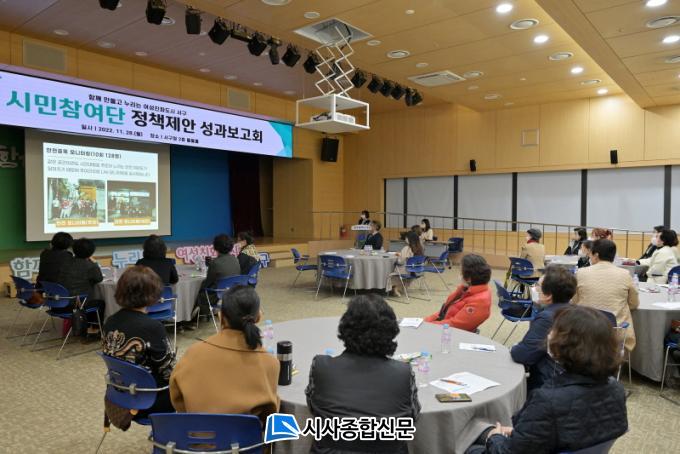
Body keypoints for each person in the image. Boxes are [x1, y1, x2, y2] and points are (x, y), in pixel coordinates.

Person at [465, 305, 627, 454]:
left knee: (465, 444)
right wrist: (522, 433)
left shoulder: (548, 400)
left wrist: (494, 437)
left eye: (554, 331)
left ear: (566, 344)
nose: (549, 335)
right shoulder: (616, 389)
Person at [305, 294, 420, 454]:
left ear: (346, 328)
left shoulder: (321, 366)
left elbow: (314, 408)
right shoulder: (404, 373)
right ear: (390, 332)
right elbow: (412, 415)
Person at [170, 286, 279, 423]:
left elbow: (176, 397)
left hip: (196, 433)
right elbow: (270, 413)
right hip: (244, 436)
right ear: (258, 317)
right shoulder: (270, 362)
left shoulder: (193, 353)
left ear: (221, 317)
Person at [102, 266, 176, 419]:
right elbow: (168, 372)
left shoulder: (110, 321)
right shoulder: (152, 327)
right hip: (149, 399)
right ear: (153, 293)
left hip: (119, 395)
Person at [511, 266, 575, 392]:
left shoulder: (547, 318)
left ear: (548, 296)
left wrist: (514, 348)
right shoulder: (575, 311)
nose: (534, 288)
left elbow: (523, 355)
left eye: (538, 286)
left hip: (546, 382)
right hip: (567, 379)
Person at [572, 239, 639, 351]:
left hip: (585, 330)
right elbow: (634, 303)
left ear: (596, 255)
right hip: (614, 333)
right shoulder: (625, 274)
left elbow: (575, 301)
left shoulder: (581, 273)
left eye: (590, 254)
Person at [424, 254, 491, 332]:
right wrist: (425, 321)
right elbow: (443, 312)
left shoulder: (480, 301)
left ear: (469, 278)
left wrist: (427, 326)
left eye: (461, 272)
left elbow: (455, 325)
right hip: (444, 327)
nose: (459, 275)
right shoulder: (466, 289)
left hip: (452, 333)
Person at [57, 238, 105, 336]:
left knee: (88, 298)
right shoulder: (90, 266)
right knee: (101, 303)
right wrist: (94, 263)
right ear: (91, 252)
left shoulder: (65, 263)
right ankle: (93, 329)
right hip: (75, 306)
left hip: (58, 303)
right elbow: (99, 278)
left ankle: (88, 326)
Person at [391, 231, 424, 297]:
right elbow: (411, 258)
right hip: (416, 271)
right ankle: (401, 287)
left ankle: (395, 287)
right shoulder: (420, 248)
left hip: (405, 271)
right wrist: (401, 255)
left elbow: (400, 261)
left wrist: (398, 258)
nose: (405, 239)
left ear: (410, 239)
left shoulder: (406, 248)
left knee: (392, 269)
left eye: (406, 237)